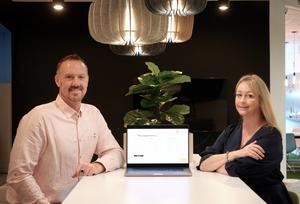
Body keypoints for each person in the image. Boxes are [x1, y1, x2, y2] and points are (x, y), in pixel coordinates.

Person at [6, 54, 125, 203]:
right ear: (58, 80)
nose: (76, 83)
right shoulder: (38, 117)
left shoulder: (93, 113)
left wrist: (97, 166)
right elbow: (18, 175)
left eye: (81, 77)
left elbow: (117, 152)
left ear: (87, 81)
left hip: (78, 199)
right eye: (69, 77)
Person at [198, 74, 292, 204]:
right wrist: (237, 154)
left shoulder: (271, 136)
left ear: (261, 100)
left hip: (265, 199)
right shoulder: (231, 130)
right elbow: (204, 163)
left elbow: (242, 171)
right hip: (235, 196)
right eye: (239, 95)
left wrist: (216, 164)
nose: (242, 100)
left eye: (250, 96)